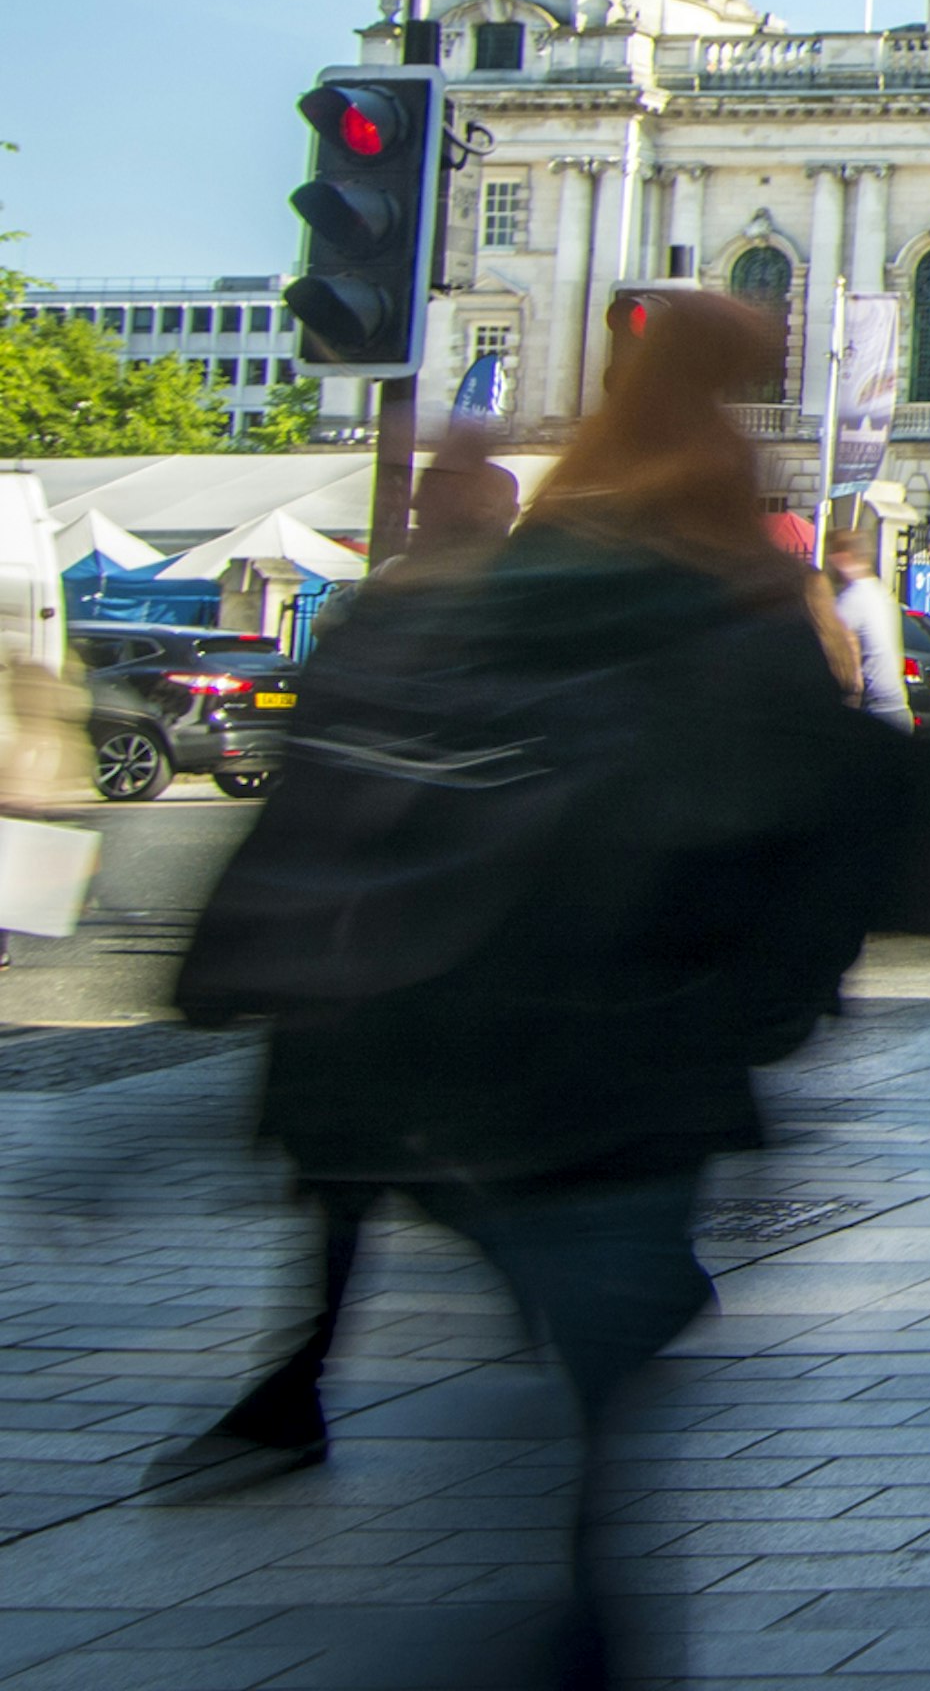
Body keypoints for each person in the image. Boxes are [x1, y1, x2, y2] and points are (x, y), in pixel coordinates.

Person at [186, 291, 907, 1687]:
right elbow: (835, 821)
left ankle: (566, 1603)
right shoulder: (738, 593)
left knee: (561, 1343)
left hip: (467, 1023)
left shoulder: (508, 580)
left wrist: (244, 959)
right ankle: (583, 1616)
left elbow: (346, 781)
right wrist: (778, 997)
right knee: (594, 1369)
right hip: (637, 1049)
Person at [169, 415, 525, 1494]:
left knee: (366, 1166)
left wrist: (243, 932)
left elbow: (342, 778)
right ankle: (298, 1382)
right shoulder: (449, 606)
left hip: (381, 940)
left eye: (440, 494)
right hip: (379, 938)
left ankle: (304, 1383)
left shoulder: (434, 610)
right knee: (355, 1171)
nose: (418, 505)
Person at [823, 527, 915, 728]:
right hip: (900, 710)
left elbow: (826, 646)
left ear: (843, 557)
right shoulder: (882, 593)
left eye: (832, 555)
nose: (830, 562)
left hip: (876, 712)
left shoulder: (853, 599)